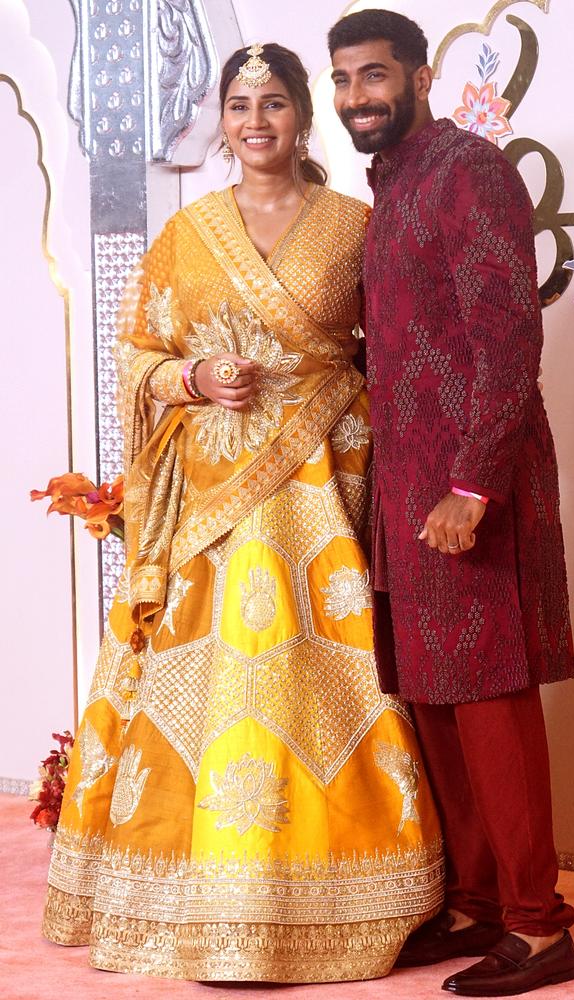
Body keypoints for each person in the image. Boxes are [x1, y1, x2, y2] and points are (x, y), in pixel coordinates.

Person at [42, 42, 444, 983]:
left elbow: (385, 349)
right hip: (210, 497)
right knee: (204, 684)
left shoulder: (356, 224)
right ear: (221, 123)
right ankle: (196, 898)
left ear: (304, 115)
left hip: (324, 484)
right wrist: (191, 376)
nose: (255, 120)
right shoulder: (189, 233)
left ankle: (347, 895)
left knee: (327, 677)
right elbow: (137, 350)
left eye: (273, 102)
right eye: (238, 105)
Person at [328, 10, 574, 997]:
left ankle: (535, 924)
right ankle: (476, 901)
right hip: (404, 491)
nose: (357, 96)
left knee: (488, 702)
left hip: (467, 490)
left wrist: (472, 485)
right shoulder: (390, 193)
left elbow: (507, 338)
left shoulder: (466, 170)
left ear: (420, 77)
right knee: (433, 700)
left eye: (375, 75)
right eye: (343, 80)